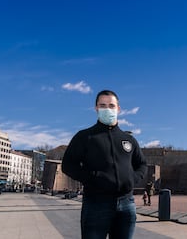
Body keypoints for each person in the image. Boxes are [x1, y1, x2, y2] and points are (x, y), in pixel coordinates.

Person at [62, 90, 147, 239]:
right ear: (96, 109)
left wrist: (131, 179)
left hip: (126, 204)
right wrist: (93, 178)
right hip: (96, 204)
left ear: (118, 109)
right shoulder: (85, 136)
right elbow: (68, 165)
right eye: (103, 105)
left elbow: (142, 164)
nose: (107, 109)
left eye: (111, 105)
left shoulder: (129, 140)